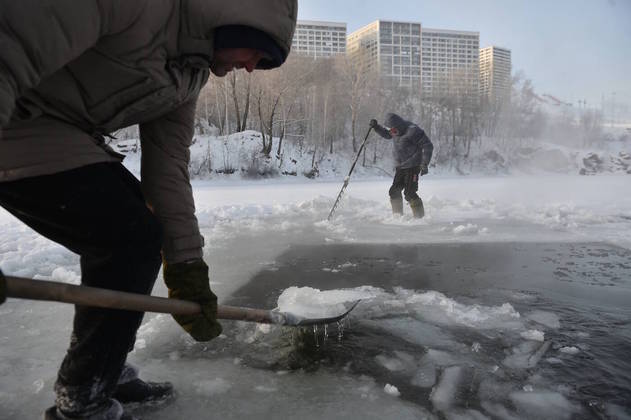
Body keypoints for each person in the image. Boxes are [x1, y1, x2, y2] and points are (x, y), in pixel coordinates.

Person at [0, 0, 297, 419]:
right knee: (128, 237)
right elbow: (8, 48)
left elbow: (168, 170)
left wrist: (186, 267)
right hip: (15, 122)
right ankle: (85, 396)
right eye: (259, 53)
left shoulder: (187, 76)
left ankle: (103, 368)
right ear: (240, 22)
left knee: (137, 232)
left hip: (61, 131)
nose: (252, 67)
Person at [370, 113, 434, 218]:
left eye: (394, 131)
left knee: (409, 193)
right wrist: (376, 127)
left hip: (413, 166)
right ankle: (397, 217)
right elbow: (387, 134)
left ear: (398, 126)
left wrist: (424, 163)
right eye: (391, 131)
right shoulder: (394, 131)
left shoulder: (413, 131)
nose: (392, 133)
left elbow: (428, 146)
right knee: (394, 192)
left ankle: (420, 219)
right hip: (401, 166)